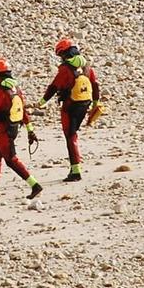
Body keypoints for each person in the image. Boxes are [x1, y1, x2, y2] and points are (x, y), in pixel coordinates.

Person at [0, 58, 42, 202]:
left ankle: (35, 185)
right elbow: (23, 112)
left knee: (11, 160)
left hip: (4, 131)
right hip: (13, 128)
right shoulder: (16, 89)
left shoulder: (0, 91)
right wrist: (30, 130)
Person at [42, 37, 102, 182]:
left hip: (70, 106)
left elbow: (54, 87)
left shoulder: (65, 69)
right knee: (73, 134)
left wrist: (42, 102)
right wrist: (95, 104)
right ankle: (75, 168)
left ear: (64, 54)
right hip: (85, 104)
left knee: (70, 136)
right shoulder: (87, 67)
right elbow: (95, 85)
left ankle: (75, 171)